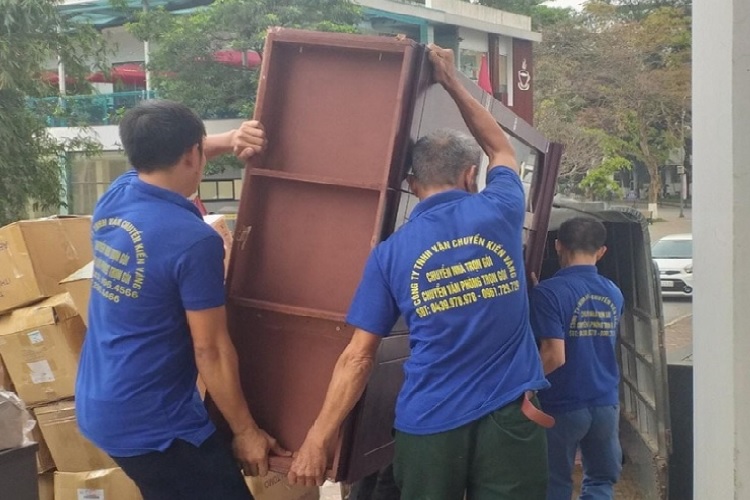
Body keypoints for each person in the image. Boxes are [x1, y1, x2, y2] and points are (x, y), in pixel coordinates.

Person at [287, 44, 550, 499]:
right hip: (508, 416)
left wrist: (318, 437)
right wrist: (451, 80)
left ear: (412, 185)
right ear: (470, 177)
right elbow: (499, 147)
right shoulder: (501, 208)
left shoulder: (390, 254)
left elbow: (358, 357)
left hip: (430, 424)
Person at [76, 100, 289, 500]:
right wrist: (246, 432)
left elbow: (168, 155)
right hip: (156, 424)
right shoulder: (193, 241)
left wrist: (231, 139)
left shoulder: (117, 196)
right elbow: (211, 349)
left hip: (101, 403)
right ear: (192, 154)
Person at [529, 217, 624, 500]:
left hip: (563, 404)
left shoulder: (548, 293)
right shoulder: (614, 292)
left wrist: (525, 389)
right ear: (601, 251)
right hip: (605, 403)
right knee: (600, 481)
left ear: (558, 246)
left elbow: (554, 355)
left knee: (555, 483)